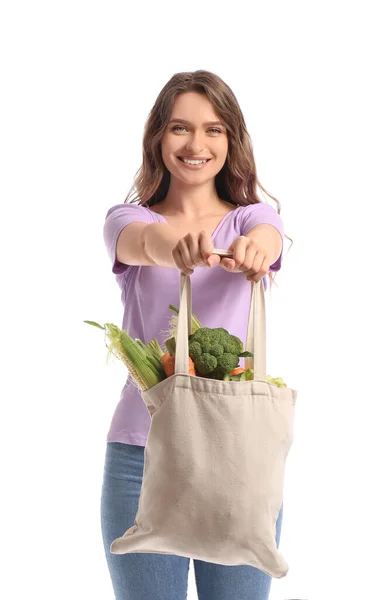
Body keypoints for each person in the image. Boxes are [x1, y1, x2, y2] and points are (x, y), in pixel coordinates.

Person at [101, 70, 291, 600]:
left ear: (230, 140)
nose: (196, 144)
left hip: (238, 455)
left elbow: (269, 236)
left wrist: (258, 248)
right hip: (141, 456)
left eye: (213, 130)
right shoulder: (126, 219)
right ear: (159, 136)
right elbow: (144, 244)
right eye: (180, 128)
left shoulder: (251, 218)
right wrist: (175, 248)